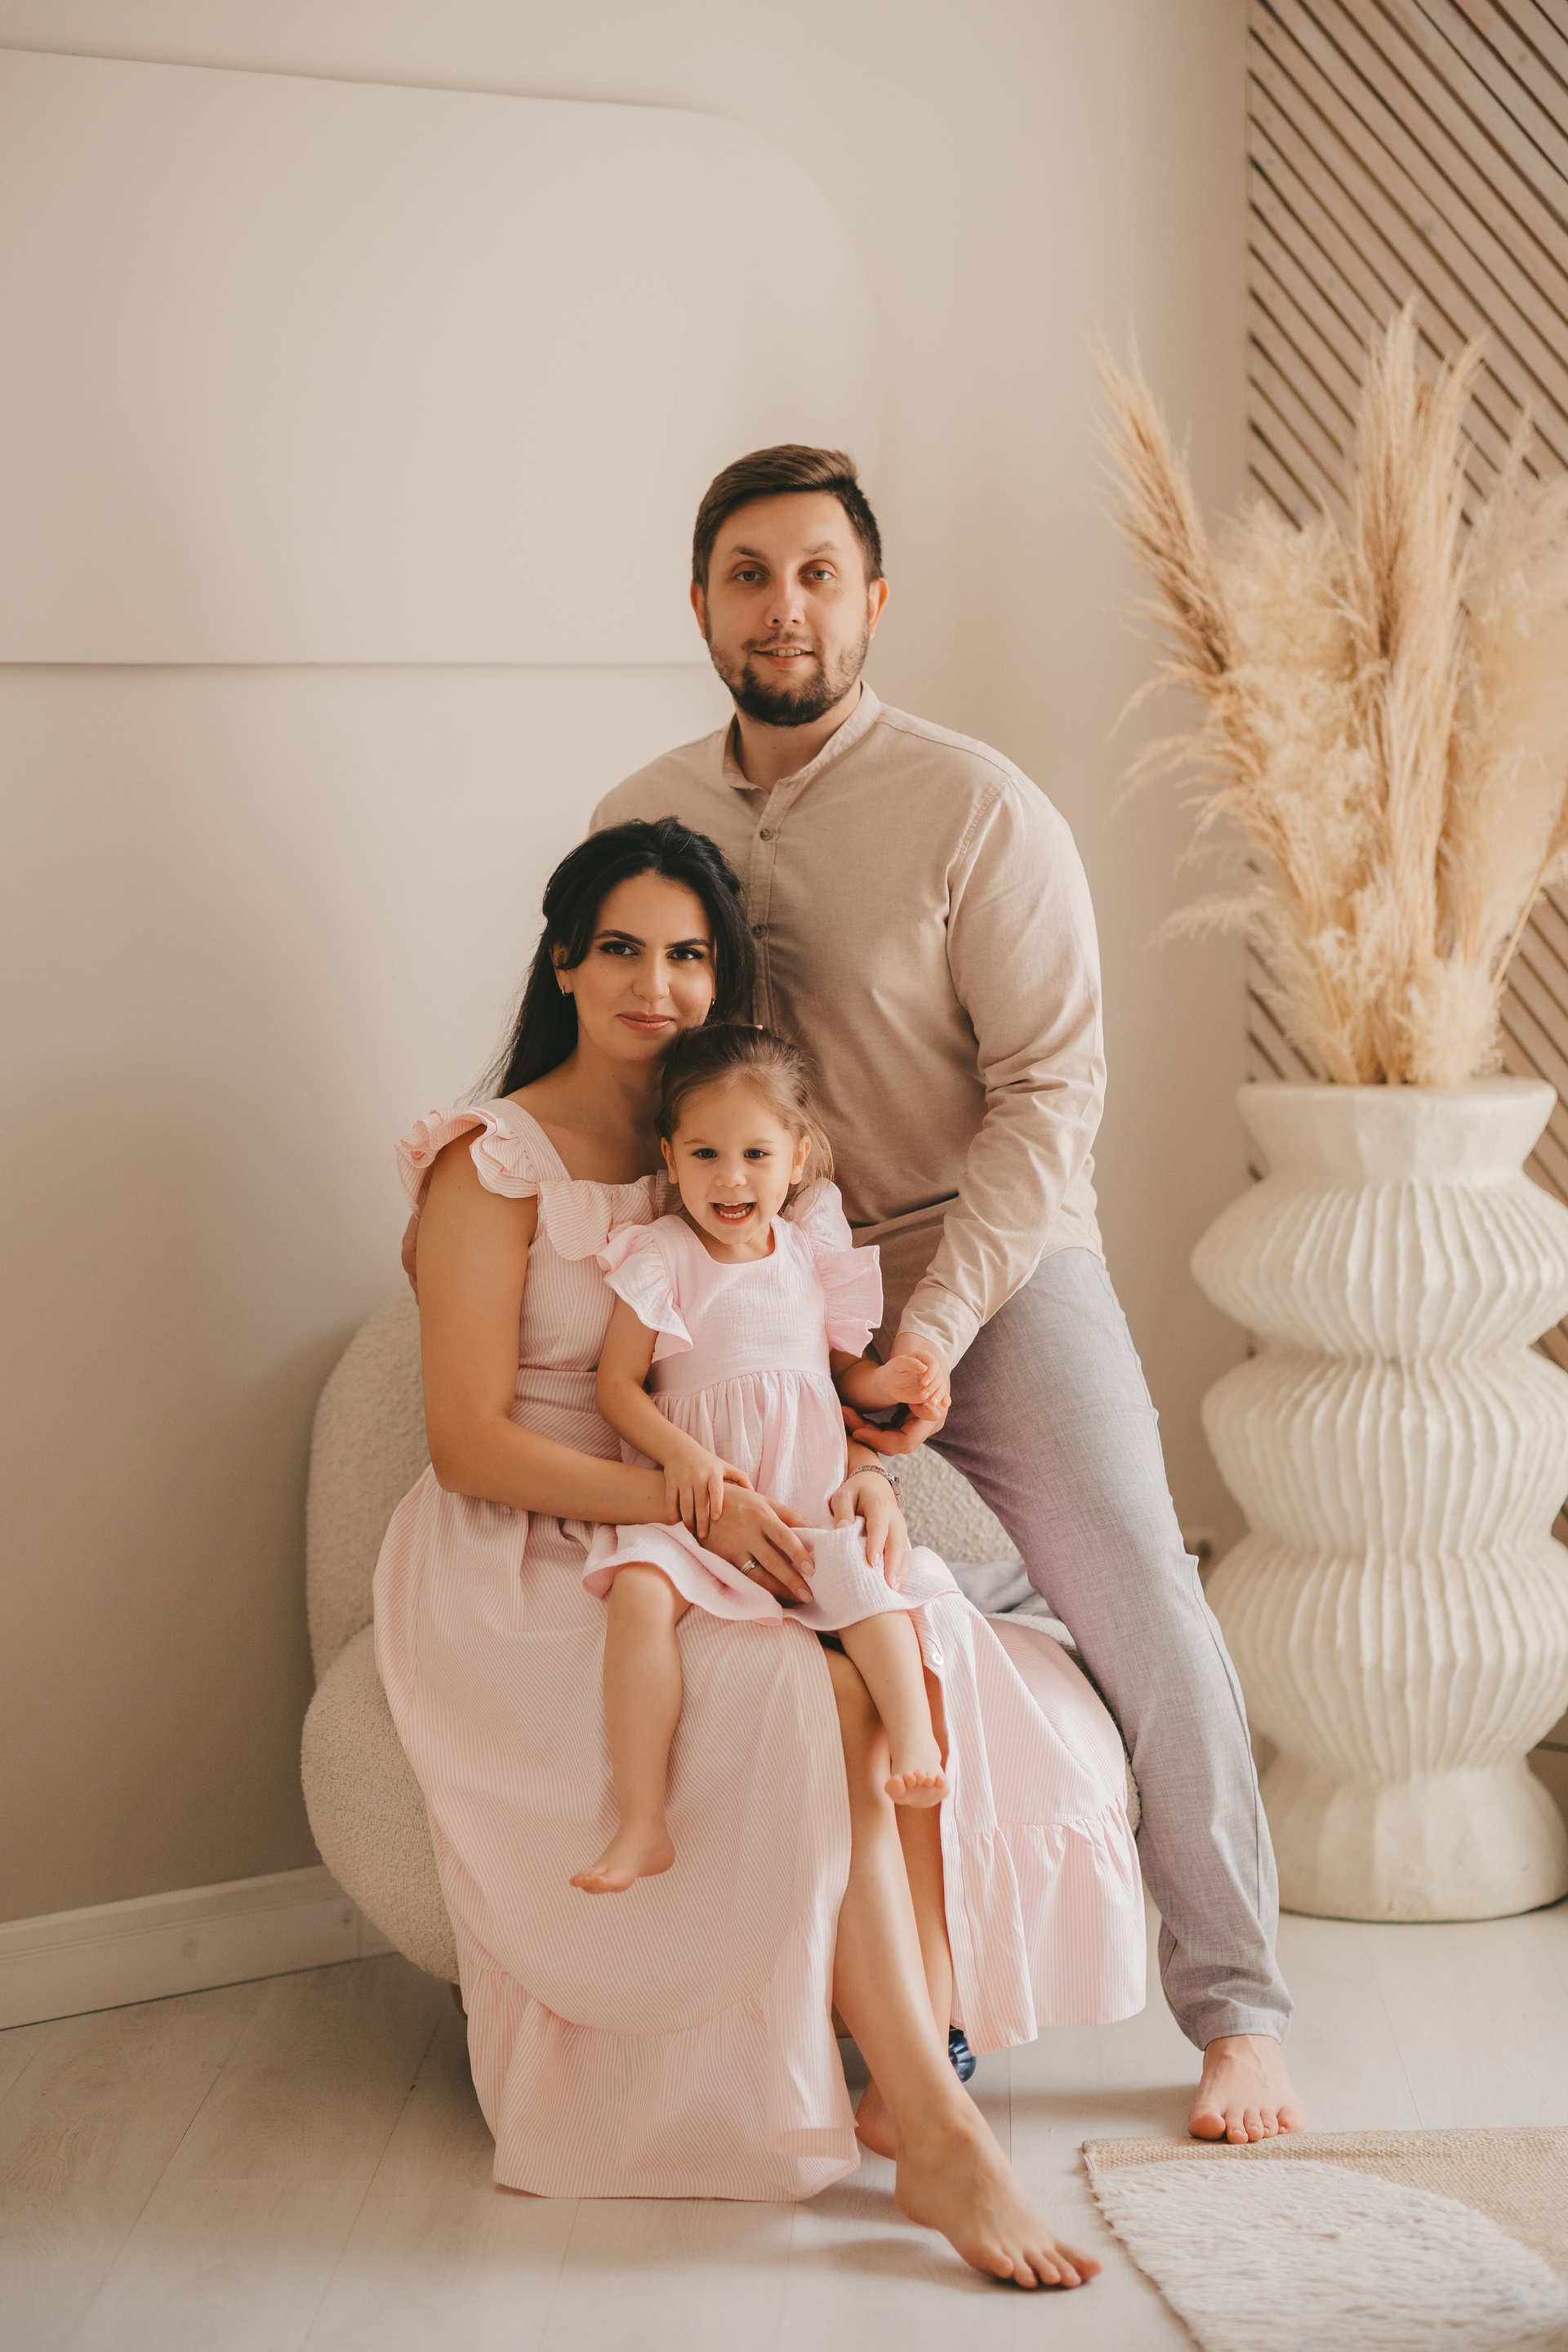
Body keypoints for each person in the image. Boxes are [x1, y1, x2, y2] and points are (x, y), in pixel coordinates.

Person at [590, 443, 1306, 2147]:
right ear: (699, 605)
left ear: (874, 602)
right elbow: (611, 1060)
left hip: (990, 1255)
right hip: (763, 1282)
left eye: (818, 574)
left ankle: (1242, 2011)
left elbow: (1051, 1095)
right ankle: (863, 2011)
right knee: (780, 1597)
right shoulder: (640, 818)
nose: (784, 606)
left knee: (1139, 1585)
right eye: (749, 575)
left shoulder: (980, 808)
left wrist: (930, 1330)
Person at [377, 817, 1138, 2288]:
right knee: (810, 1694)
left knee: (902, 1653)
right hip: (535, 1541)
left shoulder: (742, 1155)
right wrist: (679, 1507)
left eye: (688, 955)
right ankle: (937, 2129)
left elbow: (781, 1369)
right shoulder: (494, 1163)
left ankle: (916, 2076)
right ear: (563, 962)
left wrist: (862, 1476)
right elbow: (468, 1443)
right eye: (620, 948)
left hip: (731, 1514)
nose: (654, 983)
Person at [572, 1021, 958, 1895]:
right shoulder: (663, 1255)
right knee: (638, 1592)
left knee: (872, 1583)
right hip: (701, 1511)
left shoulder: (811, 1257)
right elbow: (617, 1388)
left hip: (805, 1504)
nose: (731, 1178)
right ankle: (642, 1820)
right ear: (670, 1158)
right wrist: (681, 1459)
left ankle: (914, 1745)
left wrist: (891, 1380)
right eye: (705, 1154)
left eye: (755, 1154)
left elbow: (841, 1377)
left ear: (797, 1158)